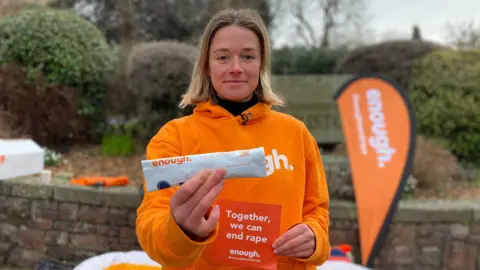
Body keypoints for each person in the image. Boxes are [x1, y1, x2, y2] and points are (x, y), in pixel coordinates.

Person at [136, 8, 331, 270]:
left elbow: (317, 212)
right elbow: (152, 231)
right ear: (206, 65)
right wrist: (181, 229)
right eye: (223, 57)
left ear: (262, 64)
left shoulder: (296, 134)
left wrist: (315, 239)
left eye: (248, 56)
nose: (236, 68)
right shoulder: (174, 137)